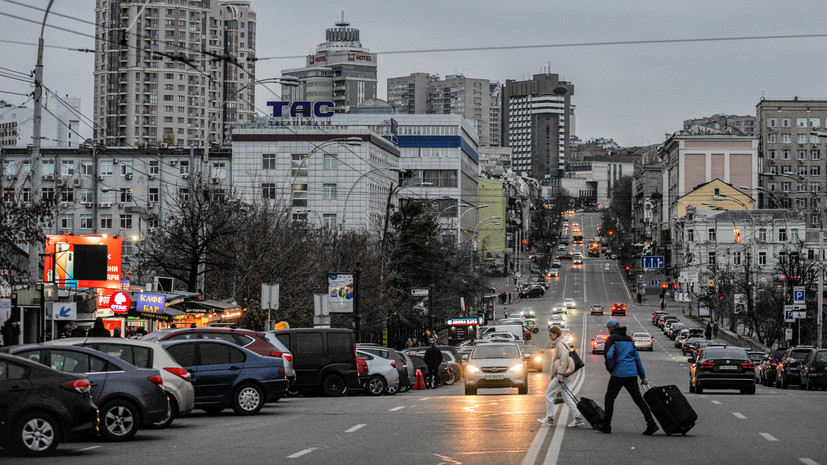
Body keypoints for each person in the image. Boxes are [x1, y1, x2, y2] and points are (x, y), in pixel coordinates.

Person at [599, 319, 658, 435]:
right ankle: (651, 424)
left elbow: (609, 355)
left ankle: (606, 425)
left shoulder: (612, 339)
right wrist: (642, 376)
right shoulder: (629, 340)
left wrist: (611, 368)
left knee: (609, 399)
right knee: (639, 400)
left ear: (611, 328)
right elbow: (637, 358)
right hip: (631, 374)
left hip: (618, 374)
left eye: (608, 328)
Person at [538, 325, 584, 427]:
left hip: (562, 374)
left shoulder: (560, 345)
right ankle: (578, 418)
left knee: (549, 395)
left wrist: (559, 374)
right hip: (567, 374)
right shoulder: (562, 343)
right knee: (567, 397)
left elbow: (563, 360)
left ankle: (550, 418)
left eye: (550, 335)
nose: (549, 337)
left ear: (555, 334)